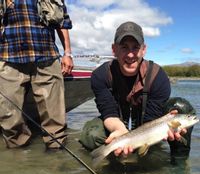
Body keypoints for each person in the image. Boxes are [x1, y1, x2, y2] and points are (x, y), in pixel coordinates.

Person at [79, 21, 195, 159]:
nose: (130, 54)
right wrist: (119, 131)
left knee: (183, 108)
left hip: (147, 123)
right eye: (124, 47)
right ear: (114, 49)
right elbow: (108, 111)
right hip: (117, 122)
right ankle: (111, 164)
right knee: (92, 135)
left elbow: (152, 118)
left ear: (143, 50)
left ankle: (179, 167)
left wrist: (157, 132)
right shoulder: (101, 75)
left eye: (135, 47)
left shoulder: (158, 76)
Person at [0, 0, 73, 149]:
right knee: (10, 121)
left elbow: (62, 22)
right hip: (8, 58)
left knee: (56, 123)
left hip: (46, 57)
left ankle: (56, 160)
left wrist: (67, 53)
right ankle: (17, 161)